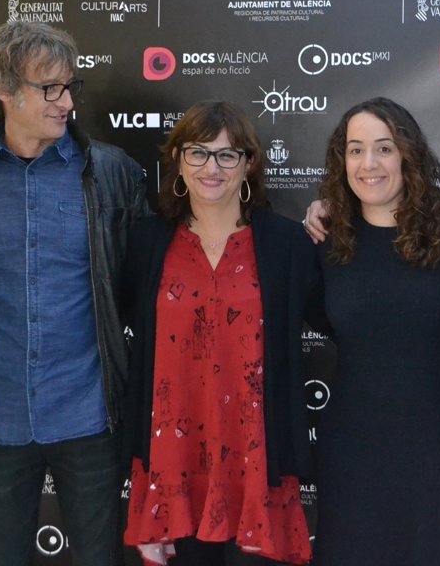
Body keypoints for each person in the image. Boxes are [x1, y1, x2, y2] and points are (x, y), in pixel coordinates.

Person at [0, 21, 149, 566]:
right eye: (50, 88)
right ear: (5, 91)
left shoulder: (111, 172)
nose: (67, 102)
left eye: (70, 87)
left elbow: (148, 279)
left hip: (90, 415)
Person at [123, 100, 313, 566]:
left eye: (227, 155)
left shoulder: (286, 244)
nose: (212, 168)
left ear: (248, 165)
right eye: (198, 153)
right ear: (178, 159)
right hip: (173, 458)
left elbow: (341, 313)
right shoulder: (146, 241)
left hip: (256, 456)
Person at [307, 97, 440, 565]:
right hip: (354, 452)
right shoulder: (324, 241)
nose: (369, 163)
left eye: (384, 148)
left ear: (408, 155)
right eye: (356, 150)